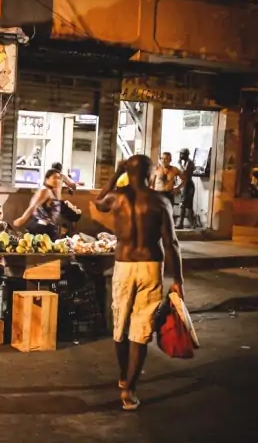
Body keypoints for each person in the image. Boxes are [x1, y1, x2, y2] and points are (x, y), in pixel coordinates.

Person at [93, 155, 184, 411]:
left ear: (127, 171)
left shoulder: (117, 197)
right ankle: (130, 390)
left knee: (120, 327)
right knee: (141, 330)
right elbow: (171, 243)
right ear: (150, 173)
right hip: (151, 267)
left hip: (123, 266)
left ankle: (123, 376)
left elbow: (98, 201)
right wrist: (178, 280)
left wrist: (115, 172)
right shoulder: (160, 200)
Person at [13, 169, 63, 240]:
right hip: (42, 229)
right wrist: (22, 219)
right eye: (54, 178)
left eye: (59, 178)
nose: (57, 180)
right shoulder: (45, 191)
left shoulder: (51, 191)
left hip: (47, 228)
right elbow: (33, 206)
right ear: (47, 179)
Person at [177, 148, 196, 229]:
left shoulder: (190, 163)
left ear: (187, 155)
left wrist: (179, 164)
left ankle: (186, 223)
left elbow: (185, 174)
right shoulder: (185, 162)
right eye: (180, 154)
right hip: (184, 185)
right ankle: (189, 224)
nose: (181, 156)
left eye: (182, 154)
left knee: (185, 205)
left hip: (188, 185)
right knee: (185, 205)